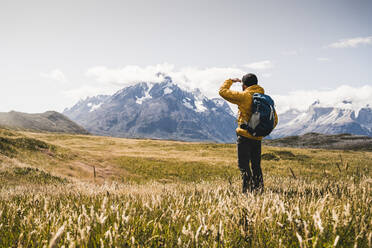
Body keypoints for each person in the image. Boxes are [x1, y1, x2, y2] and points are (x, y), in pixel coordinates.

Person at [219, 73, 278, 193]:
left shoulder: (244, 96)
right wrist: (259, 131)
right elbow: (275, 119)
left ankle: (247, 192)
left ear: (244, 86)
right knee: (256, 166)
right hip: (257, 138)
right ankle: (259, 190)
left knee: (244, 165)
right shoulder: (265, 98)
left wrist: (230, 80)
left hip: (244, 136)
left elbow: (222, 91)